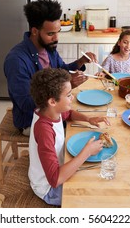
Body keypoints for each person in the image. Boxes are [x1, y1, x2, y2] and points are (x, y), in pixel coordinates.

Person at [4, 0, 98, 135]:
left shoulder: (48, 48)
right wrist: (66, 87)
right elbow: (26, 103)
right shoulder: (16, 61)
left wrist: (81, 61)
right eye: (51, 34)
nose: (56, 38)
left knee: (91, 119)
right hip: (32, 120)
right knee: (80, 133)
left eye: (58, 31)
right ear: (35, 31)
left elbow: (62, 70)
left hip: (54, 110)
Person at [28, 68, 110, 206]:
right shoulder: (44, 131)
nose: (72, 97)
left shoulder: (51, 111)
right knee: (98, 194)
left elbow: (69, 114)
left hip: (60, 167)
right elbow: (55, 179)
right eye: (69, 95)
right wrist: (87, 152)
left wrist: (89, 119)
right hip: (49, 188)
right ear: (52, 101)